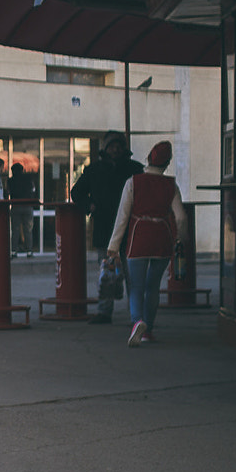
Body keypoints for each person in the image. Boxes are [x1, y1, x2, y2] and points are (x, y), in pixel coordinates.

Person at [106, 140, 186, 346]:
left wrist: (113, 247)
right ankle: (148, 329)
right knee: (153, 287)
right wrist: (179, 239)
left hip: (138, 238)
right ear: (167, 163)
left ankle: (136, 322)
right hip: (162, 238)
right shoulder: (171, 185)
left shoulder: (133, 182)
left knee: (136, 287)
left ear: (148, 158)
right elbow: (181, 217)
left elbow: (122, 217)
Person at [70, 131, 143, 324]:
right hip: (105, 228)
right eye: (112, 146)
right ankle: (104, 312)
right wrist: (89, 206)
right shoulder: (94, 170)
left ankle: (136, 314)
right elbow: (76, 192)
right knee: (106, 273)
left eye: (119, 145)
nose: (116, 149)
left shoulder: (135, 169)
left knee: (132, 275)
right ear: (105, 148)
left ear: (124, 148)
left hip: (130, 230)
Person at [8, 162, 37, 254]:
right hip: (27, 206)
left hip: (16, 206)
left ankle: (13, 251)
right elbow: (33, 190)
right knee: (28, 230)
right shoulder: (28, 179)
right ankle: (29, 251)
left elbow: (8, 192)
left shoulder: (10, 181)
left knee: (15, 230)